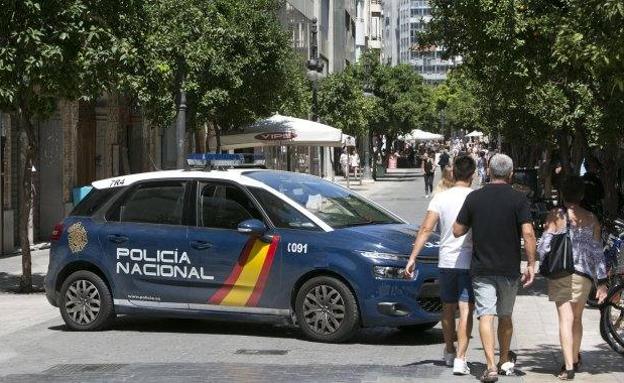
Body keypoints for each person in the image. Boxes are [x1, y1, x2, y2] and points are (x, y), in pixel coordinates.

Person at [453, 153, 537, 383]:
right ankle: (503, 360)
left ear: (488, 172)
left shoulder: (474, 198)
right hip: (509, 269)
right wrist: (531, 264)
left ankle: (490, 367)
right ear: (511, 174)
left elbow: (457, 230)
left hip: (482, 268)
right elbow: (528, 233)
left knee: (486, 316)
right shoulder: (519, 199)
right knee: (506, 316)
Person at [406, 155, 476, 375]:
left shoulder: (440, 198)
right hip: (469, 261)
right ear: (473, 175)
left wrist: (412, 257)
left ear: (453, 173)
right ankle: (461, 359)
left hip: (445, 260)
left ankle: (448, 351)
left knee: (447, 307)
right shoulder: (476, 197)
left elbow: (426, 229)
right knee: (465, 310)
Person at [537, 176, 608, 381]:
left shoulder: (555, 215)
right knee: (576, 319)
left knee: (564, 319)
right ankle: (575, 358)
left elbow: (544, 245)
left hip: (561, 272)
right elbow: (597, 252)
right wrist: (601, 282)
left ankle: (568, 366)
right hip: (584, 276)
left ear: (562, 193)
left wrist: (541, 262)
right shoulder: (592, 218)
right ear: (582, 195)